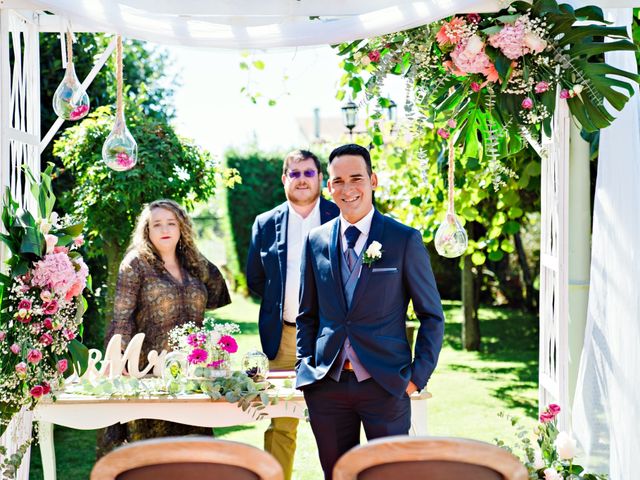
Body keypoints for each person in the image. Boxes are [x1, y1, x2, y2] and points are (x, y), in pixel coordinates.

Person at [295, 144, 445, 480]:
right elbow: (307, 315)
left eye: (356, 178)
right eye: (338, 181)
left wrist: (416, 378)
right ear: (328, 187)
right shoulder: (316, 241)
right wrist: (306, 370)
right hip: (327, 387)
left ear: (373, 180)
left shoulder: (403, 240)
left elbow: (432, 316)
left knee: (389, 475)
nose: (348, 189)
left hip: (386, 386)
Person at [99, 199, 231, 453]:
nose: (164, 229)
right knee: (152, 457)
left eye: (171, 223)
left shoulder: (194, 262)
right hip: (148, 375)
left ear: (182, 227)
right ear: (146, 230)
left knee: (195, 455)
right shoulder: (136, 263)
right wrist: (117, 360)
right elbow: (122, 317)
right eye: (156, 224)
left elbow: (217, 293)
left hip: (192, 376)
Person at [246, 150, 339, 479]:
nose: (302, 179)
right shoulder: (265, 223)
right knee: (282, 422)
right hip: (284, 338)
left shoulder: (340, 215)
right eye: (295, 173)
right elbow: (256, 277)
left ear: (321, 180)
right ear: (284, 179)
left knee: (336, 423)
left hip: (332, 338)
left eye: (309, 173)